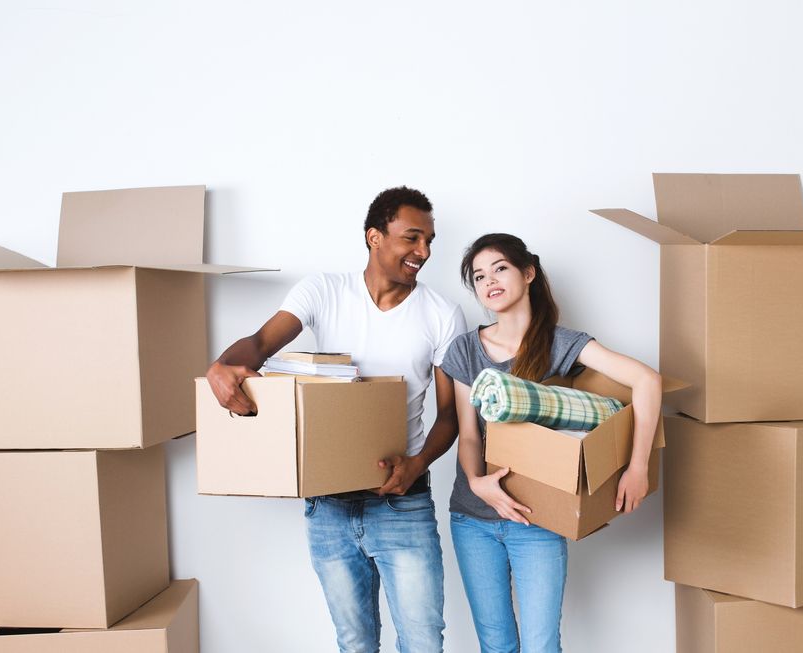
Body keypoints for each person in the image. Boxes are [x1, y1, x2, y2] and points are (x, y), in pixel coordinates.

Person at [205, 186, 466, 653]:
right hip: (328, 506)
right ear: (374, 237)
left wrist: (418, 463)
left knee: (424, 641)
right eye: (412, 238)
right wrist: (220, 365)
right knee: (354, 641)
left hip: (401, 503)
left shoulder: (442, 314)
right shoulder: (323, 291)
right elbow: (261, 344)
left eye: (429, 241)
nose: (423, 252)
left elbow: (449, 415)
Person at [440, 233, 662, 653]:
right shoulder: (466, 350)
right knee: (495, 645)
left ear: (528, 273)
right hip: (472, 520)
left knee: (541, 646)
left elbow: (647, 381)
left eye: (500, 268)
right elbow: (468, 435)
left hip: (538, 519)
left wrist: (638, 467)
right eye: (479, 276)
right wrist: (476, 482)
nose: (489, 281)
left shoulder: (560, 343)